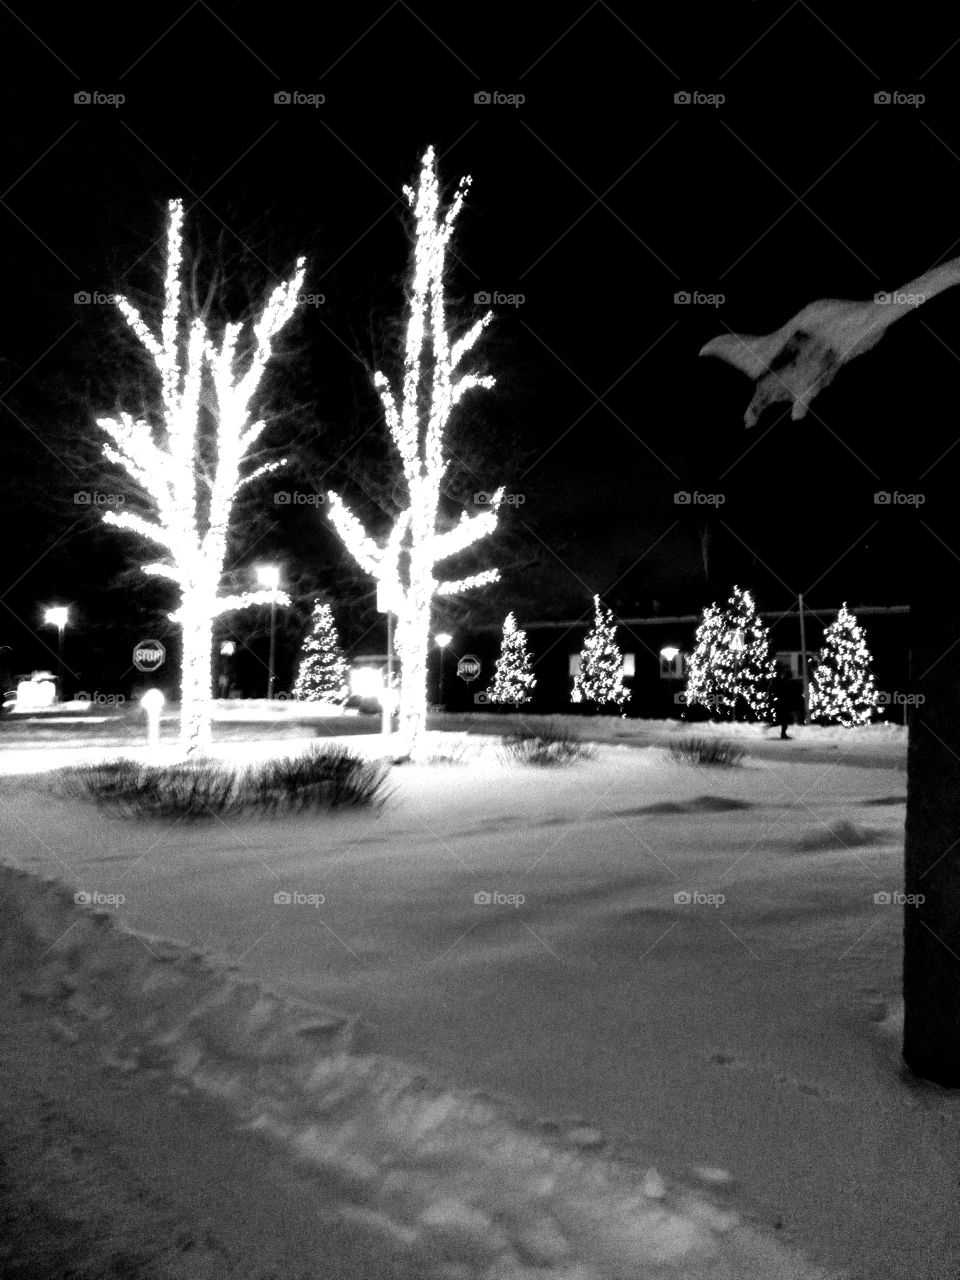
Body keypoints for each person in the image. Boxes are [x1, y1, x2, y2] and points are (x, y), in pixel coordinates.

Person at [771, 663, 795, 739]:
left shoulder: (782, 682)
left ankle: (782, 733)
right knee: (785, 720)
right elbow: (786, 694)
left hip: (783, 703)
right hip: (784, 704)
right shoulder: (785, 683)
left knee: (784, 719)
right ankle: (782, 733)